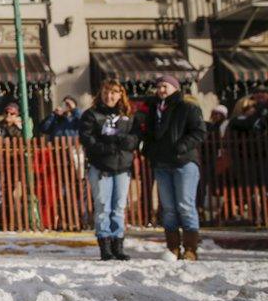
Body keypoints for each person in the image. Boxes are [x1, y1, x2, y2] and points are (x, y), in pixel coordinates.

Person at [143, 75, 206, 261]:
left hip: (184, 163)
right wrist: (149, 151)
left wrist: (182, 146)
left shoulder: (188, 107)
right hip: (162, 164)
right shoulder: (154, 110)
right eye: (159, 86)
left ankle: (190, 248)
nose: (161, 90)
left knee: (185, 205)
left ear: (175, 88)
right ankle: (173, 247)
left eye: (165, 86)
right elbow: (148, 134)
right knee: (168, 208)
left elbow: (199, 131)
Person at [79, 80, 140, 261]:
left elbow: (134, 139)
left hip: (122, 166)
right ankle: (105, 247)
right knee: (103, 206)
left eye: (114, 92)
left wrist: (119, 138)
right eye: (106, 92)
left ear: (120, 94)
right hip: (100, 166)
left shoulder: (128, 115)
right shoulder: (91, 115)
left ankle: (118, 245)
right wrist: (107, 147)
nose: (110, 96)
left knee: (119, 207)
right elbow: (87, 139)